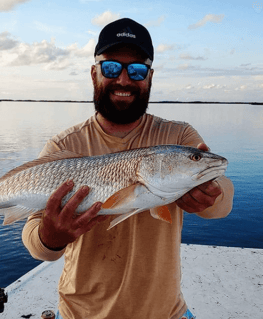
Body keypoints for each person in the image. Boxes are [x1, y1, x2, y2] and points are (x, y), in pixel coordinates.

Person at [22, 18, 234, 319]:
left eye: (136, 70)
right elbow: (35, 241)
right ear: (94, 73)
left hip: (165, 312)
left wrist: (212, 195)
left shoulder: (179, 136)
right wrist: (50, 237)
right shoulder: (63, 146)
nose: (123, 80)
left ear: (149, 77)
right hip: (81, 313)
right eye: (111, 68)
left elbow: (223, 200)